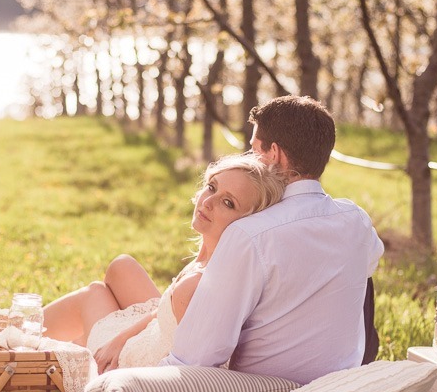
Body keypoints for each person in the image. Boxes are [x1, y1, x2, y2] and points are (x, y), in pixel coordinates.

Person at [161, 95, 385, 385]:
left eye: (255, 150)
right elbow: (366, 269)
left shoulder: (251, 234)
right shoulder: (358, 221)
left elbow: (196, 358)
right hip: (337, 386)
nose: (250, 159)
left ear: (275, 154)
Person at [42, 154, 286, 374]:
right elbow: (164, 315)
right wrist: (121, 337)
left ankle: (13, 339)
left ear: (247, 223)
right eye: (211, 188)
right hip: (146, 336)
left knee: (93, 294)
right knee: (122, 266)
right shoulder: (207, 261)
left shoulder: (201, 283)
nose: (208, 202)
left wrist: (118, 347)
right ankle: (48, 340)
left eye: (228, 203)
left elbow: (193, 366)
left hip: (132, 365)